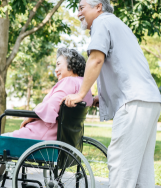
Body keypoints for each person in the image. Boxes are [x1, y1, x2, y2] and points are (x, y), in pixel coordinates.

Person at [0, 47, 93, 188]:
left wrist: (30, 117)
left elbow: (51, 107)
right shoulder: (83, 86)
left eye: (59, 64)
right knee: (1, 147)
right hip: (63, 142)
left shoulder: (67, 82)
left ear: (71, 65)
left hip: (43, 139)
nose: (55, 69)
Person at [61, 1, 161, 188]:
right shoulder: (118, 25)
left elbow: (96, 59)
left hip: (134, 102)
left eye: (81, 8)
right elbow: (122, 67)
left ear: (98, 7)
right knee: (141, 172)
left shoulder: (102, 22)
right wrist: (102, 97)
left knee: (121, 164)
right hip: (148, 100)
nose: (78, 14)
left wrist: (81, 94)